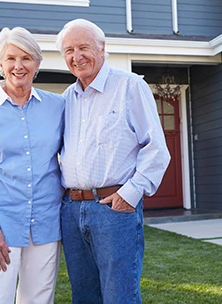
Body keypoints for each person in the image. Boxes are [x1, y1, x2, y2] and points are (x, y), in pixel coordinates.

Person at [56, 19, 171, 304]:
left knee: (120, 296)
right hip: (71, 211)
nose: (76, 56)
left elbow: (156, 148)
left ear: (102, 48)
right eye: (69, 50)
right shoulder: (66, 99)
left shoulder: (130, 86)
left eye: (83, 47)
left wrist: (130, 195)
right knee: (84, 296)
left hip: (113, 210)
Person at [0, 27, 65, 304]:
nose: (19, 66)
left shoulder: (58, 106)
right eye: (11, 58)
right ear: (1, 64)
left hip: (46, 223)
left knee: (39, 299)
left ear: (37, 64)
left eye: (27, 58)